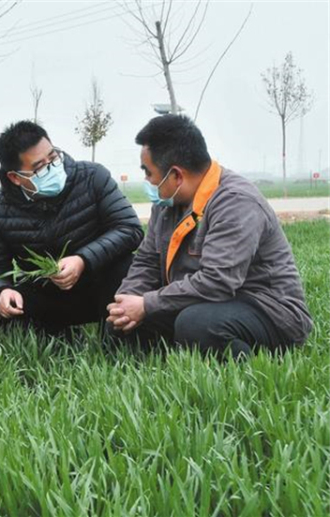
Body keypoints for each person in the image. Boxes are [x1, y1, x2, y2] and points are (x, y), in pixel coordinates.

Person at [106, 114, 313, 357]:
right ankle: (182, 351)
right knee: (120, 327)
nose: (147, 180)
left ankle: (250, 367)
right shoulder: (167, 205)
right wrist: (127, 302)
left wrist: (147, 304)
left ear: (177, 175)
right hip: (202, 302)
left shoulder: (236, 202)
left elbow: (218, 282)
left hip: (265, 309)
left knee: (195, 324)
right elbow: (147, 261)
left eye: (149, 172)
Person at [0, 120, 143, 338]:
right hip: (48, 292)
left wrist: (83, 260)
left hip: (100, 285)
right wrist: (1, 291)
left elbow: (129, 228)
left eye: (53, 158)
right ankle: (61, 337)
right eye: (39, 168)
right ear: (15, 177)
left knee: (125, 266)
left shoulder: (92, 177)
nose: (52, 168)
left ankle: (112, 336)